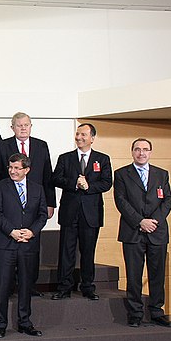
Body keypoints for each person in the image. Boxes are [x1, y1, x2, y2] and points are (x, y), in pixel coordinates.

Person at [113, 138, 171, 328]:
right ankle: (136, 313)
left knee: (157, 274)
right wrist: (140, 221)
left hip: (157, 231)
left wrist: (153, 222)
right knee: (134, 275)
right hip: (133, 231)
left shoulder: (161, 174)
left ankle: (156, 311)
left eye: (145, 149)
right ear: (132, 152)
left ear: (151, 152)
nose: (141, 153)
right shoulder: (122, 174)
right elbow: (121, 202)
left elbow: (167, 201)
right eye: (137, 149)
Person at [0, 112, 56, 297]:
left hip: (35, 202)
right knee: (10, 250)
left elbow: (48, 176)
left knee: (31, 247)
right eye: (19, 125)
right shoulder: (2, 145)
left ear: (31, 126)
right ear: (12, 127)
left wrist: (50, 203)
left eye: (26, 125)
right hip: (9, 206)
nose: (23, 128)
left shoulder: (41, 145)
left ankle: (29, 286)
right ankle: (10, 286)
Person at [51, 123, 112, 301]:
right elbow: (55, 178)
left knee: (88, 251)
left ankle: (87, 286)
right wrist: (74, 183)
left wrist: (89, 186)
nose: (79, 137)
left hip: (91, 213)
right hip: (70, 212)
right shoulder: (65, 158)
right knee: (66, 252)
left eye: (84, 135)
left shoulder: (102, 159)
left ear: (92, 138)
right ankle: (64, 287)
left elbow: (107, 182)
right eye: (78, 134)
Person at [0, 153, 48, 338]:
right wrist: (12, 231)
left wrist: (31, 232)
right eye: (10, 167)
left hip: (28, 244)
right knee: (3, 285)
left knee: (26, 284)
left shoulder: (38, 189)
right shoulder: (0, 186)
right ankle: (0, 324)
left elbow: (42, 215)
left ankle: (25, 322)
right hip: (5, 242)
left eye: (17, 168)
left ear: (27, 170)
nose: (12, 171)